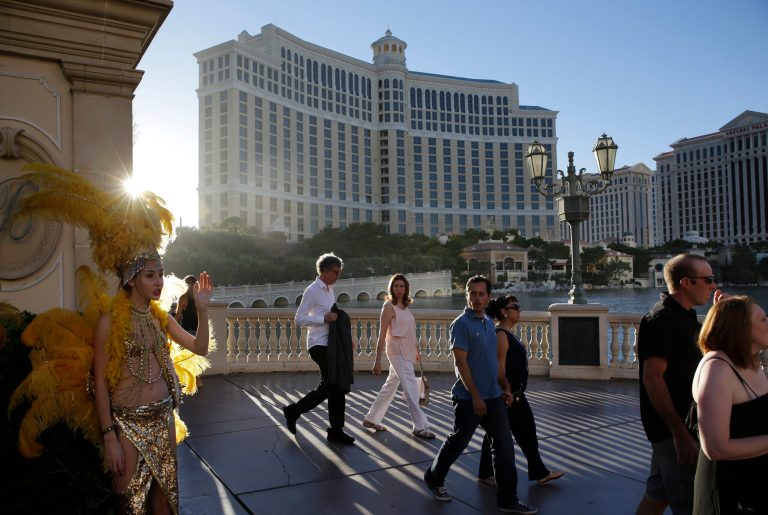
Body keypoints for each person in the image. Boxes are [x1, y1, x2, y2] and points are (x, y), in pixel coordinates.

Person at [93, 252, 213, 514]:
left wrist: (203, 310)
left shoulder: (162, 319)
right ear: (132, 280)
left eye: (160, 273)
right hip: (127, 425)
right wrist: (109, 437)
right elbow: (100, 382)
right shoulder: (109, 323)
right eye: (150, 275)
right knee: (130, 505)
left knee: (164, 502)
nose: (159, 281)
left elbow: (200, 347)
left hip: (163, 419)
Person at [423, 275, 537, 515]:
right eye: (472, 293)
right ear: (467, 295)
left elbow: (494, 362)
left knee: (505, 447)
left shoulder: (487, 322)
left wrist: (505, 386)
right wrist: (475, 395)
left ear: (488, 297)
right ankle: (434, 477)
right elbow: (461, 363)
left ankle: (507, 499)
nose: (477, 298)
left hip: (494, 397)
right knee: (458, 442)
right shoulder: (461, 324)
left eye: (481, 294)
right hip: (468, 399)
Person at [636, 253, 718, 515]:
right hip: (674, 429)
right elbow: (653, 379)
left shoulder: (685, 317)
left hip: (682, 424)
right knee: (689, 502)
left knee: (658, 493)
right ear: (685, 283)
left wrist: (719, 314)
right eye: (707, 279)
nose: (713, 285)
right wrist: (680, 434)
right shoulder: (660, 320)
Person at [477, 295, 564, 487]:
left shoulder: (508, 333)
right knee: (524, 432)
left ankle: (485, 473)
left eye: (518, 306)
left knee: (497, 433)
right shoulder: (500, 334)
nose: (519, 310)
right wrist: (504, 390)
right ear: (504, 312)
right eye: (515, 307)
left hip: (514, 394)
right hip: (509, 395)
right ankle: (539, 472)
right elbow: (498, 366)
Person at [691, 296, 768, 514]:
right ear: (740, 328)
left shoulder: (751, 361)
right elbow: (715, 448)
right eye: (763, 319)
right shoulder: (717, 369)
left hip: (755, 483)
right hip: (730, 491)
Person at [282, 253, 355, 445]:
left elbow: (335, 316)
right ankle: (294, 411)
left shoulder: (330, 290)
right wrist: (322, 319)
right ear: (324, 270)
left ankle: (335, 430)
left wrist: (345, 339)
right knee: (331, 385)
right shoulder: (312, 291)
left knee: (336, 387)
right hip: (317, 344)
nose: (337, 277)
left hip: (331, 344)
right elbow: (299, 319)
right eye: (335, 272)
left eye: (339, 273)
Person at [363, 274, 435, 439]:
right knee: (410, 388)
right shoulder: (389, 307)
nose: (399, 289)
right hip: (396, 351)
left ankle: (371, 418)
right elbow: (382, 335)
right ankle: (420, 426)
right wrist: (377, 360)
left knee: (390, 385)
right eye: (396, 286)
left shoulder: (405, 307)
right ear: (391, 288)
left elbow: (409, 331)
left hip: (407, 351)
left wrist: (415, 350)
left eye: (402, 286)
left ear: (406, 288)